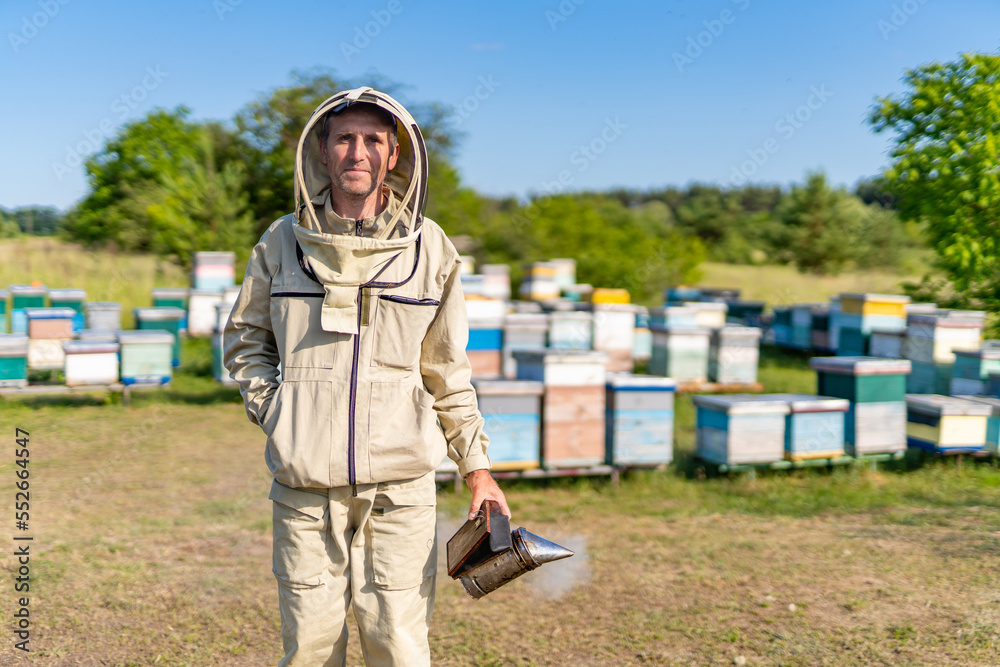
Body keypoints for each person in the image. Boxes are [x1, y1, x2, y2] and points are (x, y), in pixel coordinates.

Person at [223, 86, 509, 666]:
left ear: (394, 155)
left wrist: (478, 470)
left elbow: (447, 371)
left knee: (398, 648)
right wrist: (277, 411)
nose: (358, 152)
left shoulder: (431, 250)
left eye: (373, 140)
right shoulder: (280, 244)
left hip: (400, 492)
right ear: (322, 152)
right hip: (306, 492)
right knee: (309, 650)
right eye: (344, 138)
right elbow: (247, 342)